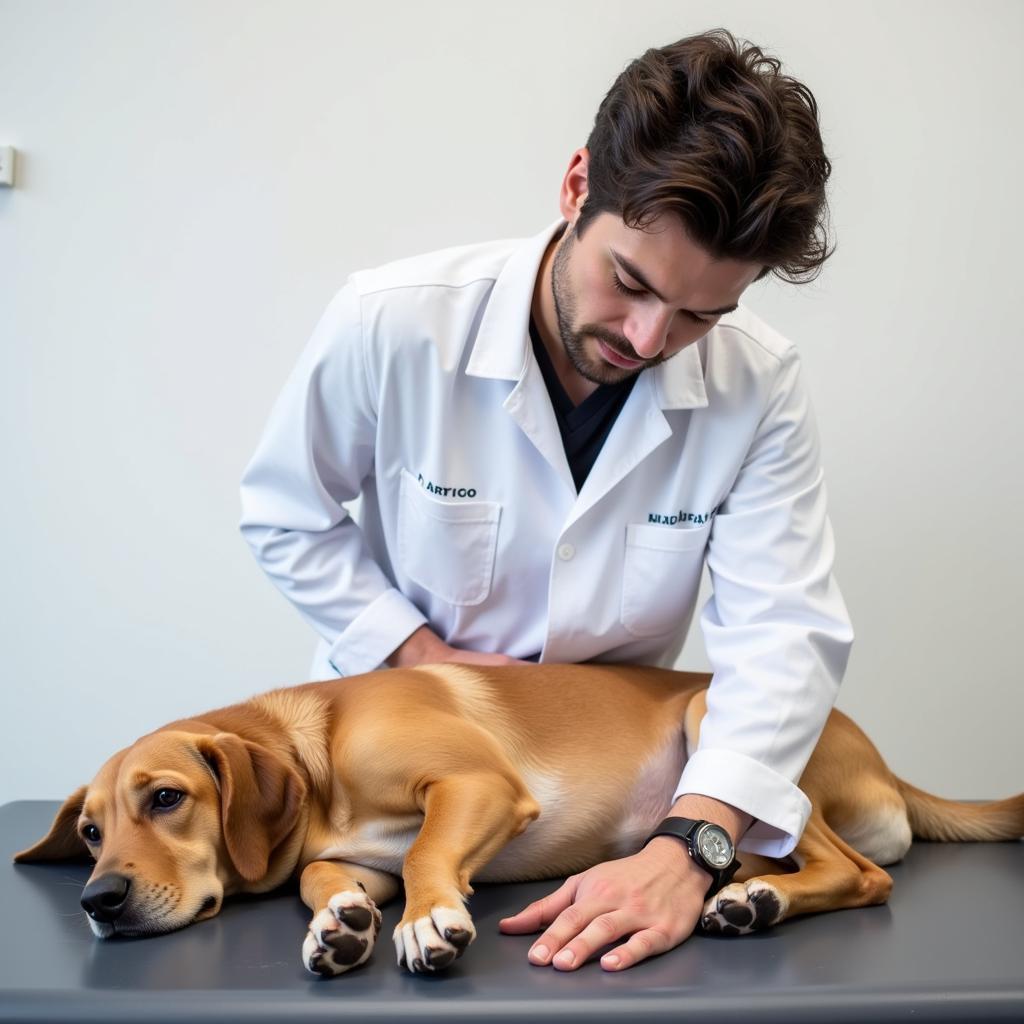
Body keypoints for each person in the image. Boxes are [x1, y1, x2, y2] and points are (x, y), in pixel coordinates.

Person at [238, 28, 853, 973]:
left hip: (607, 810)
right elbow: (286, 511)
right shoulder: (393, 321)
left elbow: (782, 634)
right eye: (631, 283)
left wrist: (692, 849)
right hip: (391, 791)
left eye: (700, 315)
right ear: (576, 189)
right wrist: (419, 657)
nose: (650, 339)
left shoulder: (758, 384)